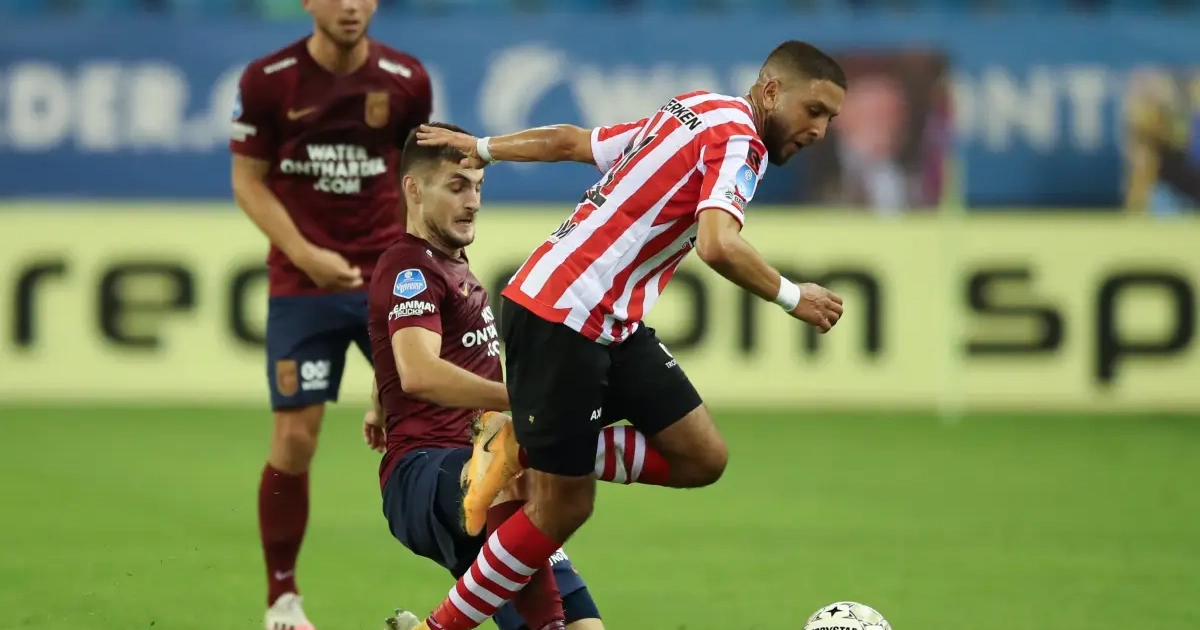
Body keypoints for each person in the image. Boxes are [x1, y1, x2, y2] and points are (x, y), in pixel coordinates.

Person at [397, 40, 849, 630]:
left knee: (701, 456)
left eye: (829, 118)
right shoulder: (741, 140)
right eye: (813, 110)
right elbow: (718, 243)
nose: (819, 130)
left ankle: (519, 445)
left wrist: (483, 147)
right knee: (563, 507)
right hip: (563, 315)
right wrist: (793, 296)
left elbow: (572, 142)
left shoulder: (697, 107)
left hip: (610, 323)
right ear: (770, 91)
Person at [227, 0, 432, 625]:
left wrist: (413, 260)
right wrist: (305, 254)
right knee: (295, 437)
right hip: (303, 284)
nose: (350, 5)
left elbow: (416, 182)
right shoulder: (268, 80)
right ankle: (282, 600)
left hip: (388, 278)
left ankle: (488, 581)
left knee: (450, 423)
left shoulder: (406, 79)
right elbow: (248, 180)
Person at [366, 123, 603, 630]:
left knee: (586, 626)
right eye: (457, 187)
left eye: (477, 187)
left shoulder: (449, 264)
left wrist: (377, 402)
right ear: (414, 190)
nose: (473, 201)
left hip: (482, 481)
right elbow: (418, 371)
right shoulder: (410, 268)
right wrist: (523, 397)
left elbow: (400, 347)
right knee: (505, 447)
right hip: (428, 474)